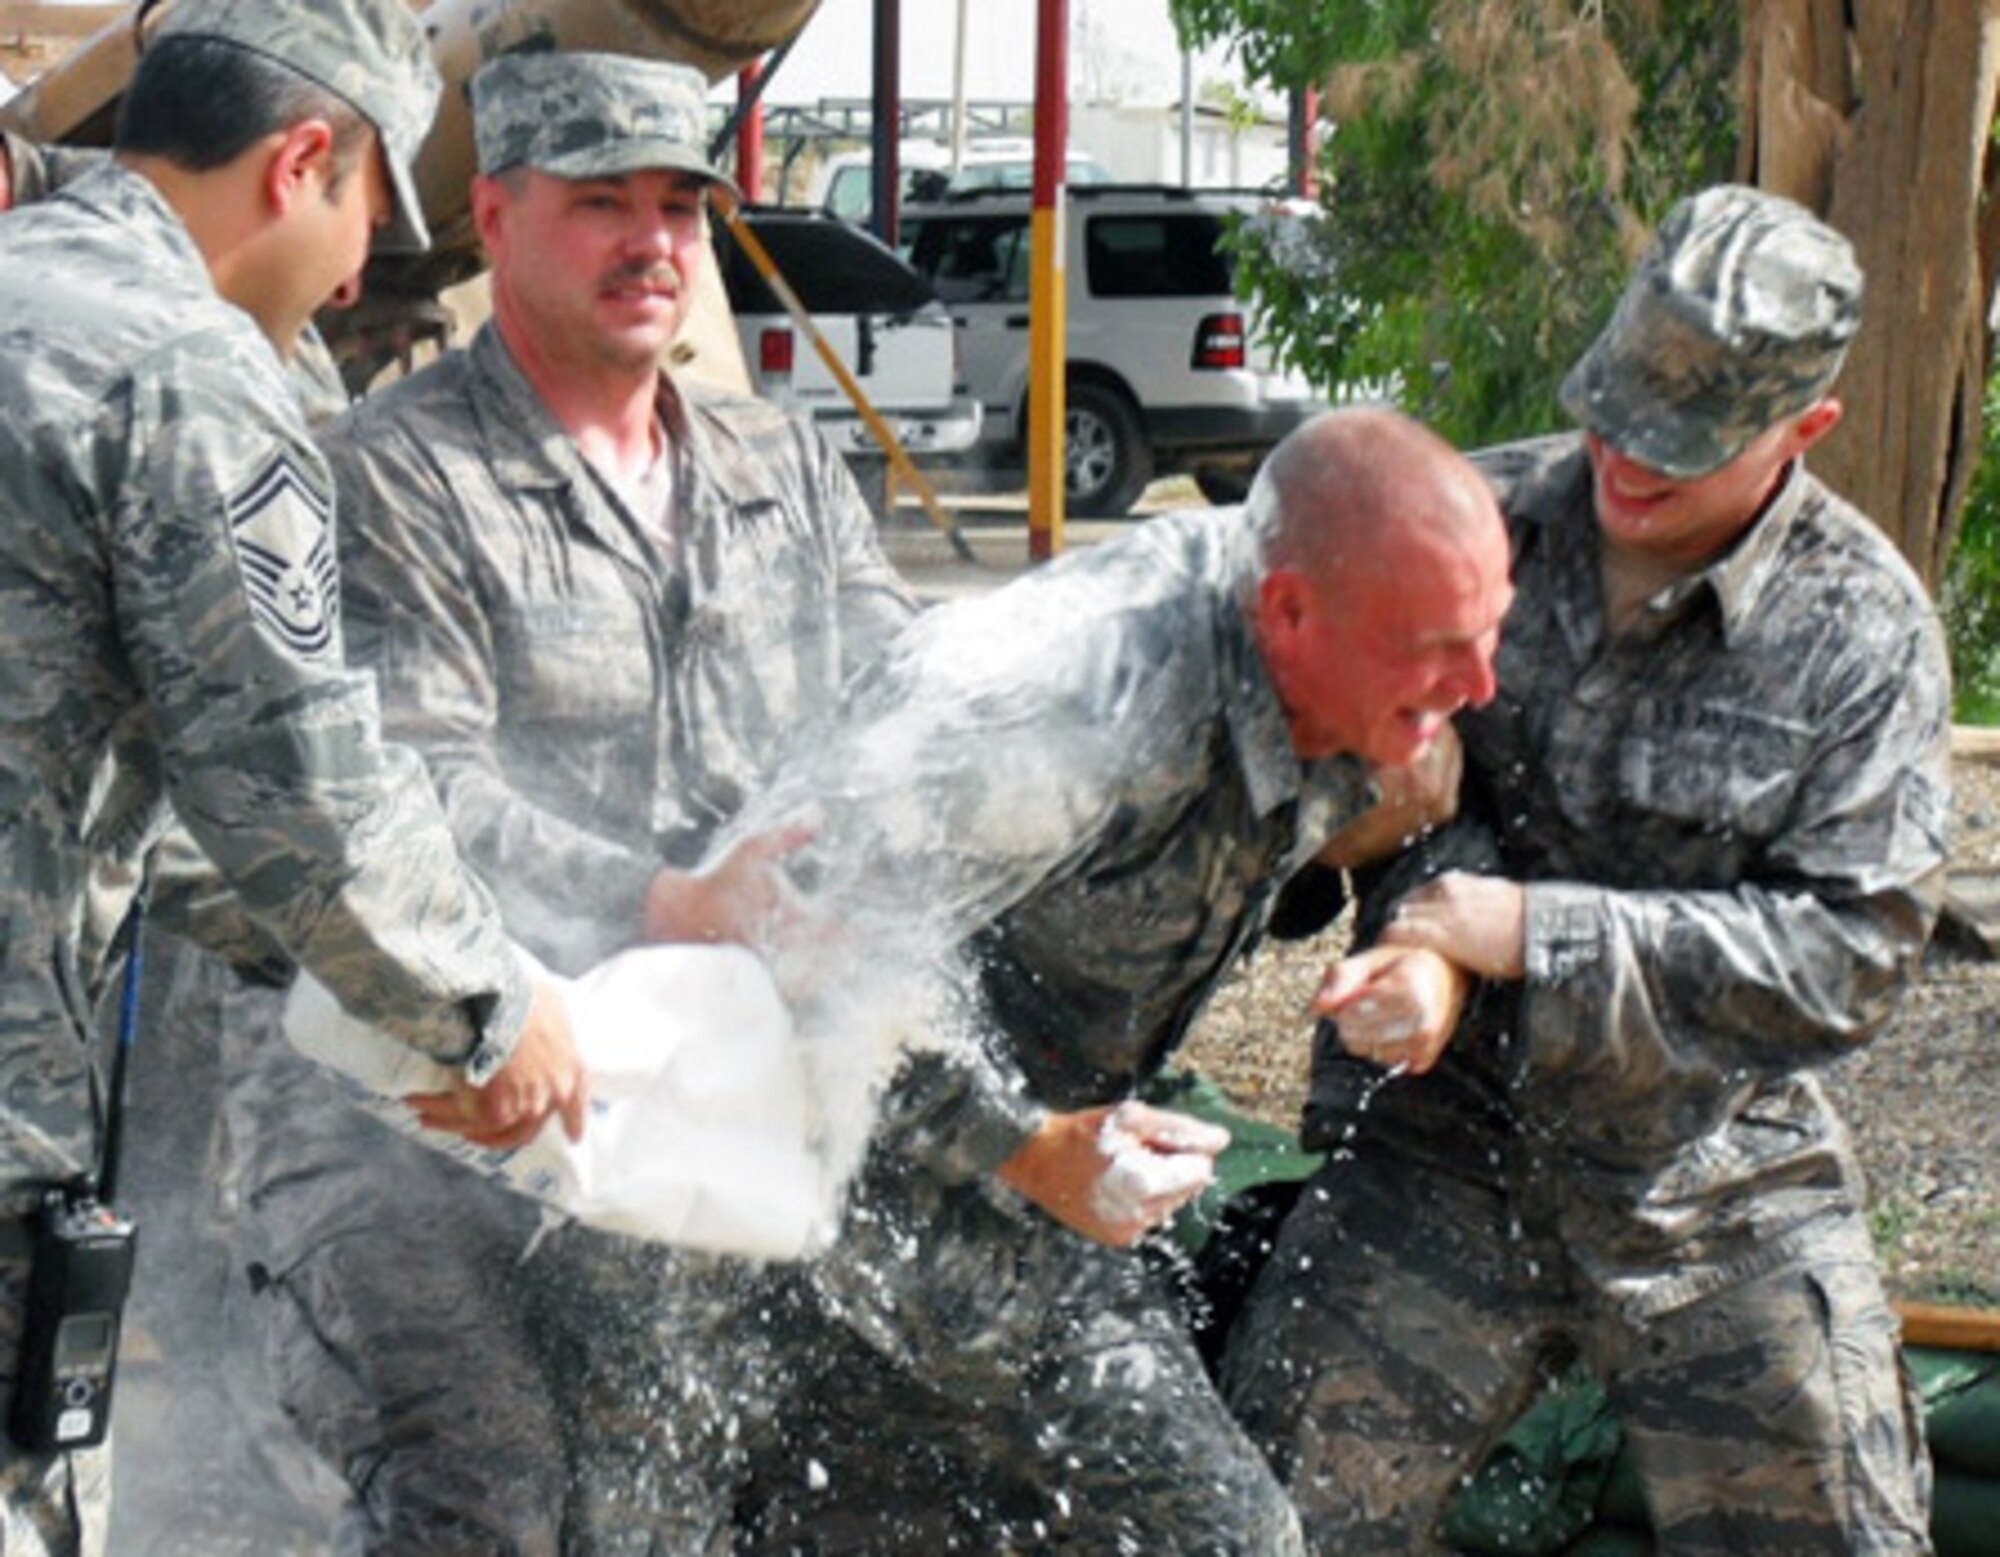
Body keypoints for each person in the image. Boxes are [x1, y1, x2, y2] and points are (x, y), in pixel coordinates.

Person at [225, 50, 917, 1553]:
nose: (652, 244)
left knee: (678, 1501)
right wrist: (660, 901)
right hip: (411, 1105)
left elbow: (897, 708)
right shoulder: (393, 476)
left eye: (680, 207)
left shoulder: (780, 464)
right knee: (487, 1494)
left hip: (694, 1088)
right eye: (602, 201)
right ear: (497, 215)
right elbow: (407, 788)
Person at [1221, 185, 1947, 1555]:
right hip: (1438, 1155)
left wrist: (1529, 933)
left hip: (1712, 1174)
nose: (1629, 455)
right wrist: (1409, 905)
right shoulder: (1469, 524)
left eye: (1687, 437)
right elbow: (1317, 791)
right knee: (1257, 1524)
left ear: (1807, 428)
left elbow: (1848, 957)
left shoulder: (1864, 632)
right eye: (1618, 405)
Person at [705, 404, 1512, 1553]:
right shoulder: (1058, 699)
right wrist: (1022, 1145)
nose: (1478, 681)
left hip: (1029, 1224)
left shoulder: (1374, 672)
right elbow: (790, 942)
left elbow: (1433, 807)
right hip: (799, 1218)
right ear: (1286, 612)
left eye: (1488, 634)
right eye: (1439, 650)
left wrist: (1427, 949)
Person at [0, 3, 589, 1550]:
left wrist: (385, 1000)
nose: (349, 283)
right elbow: (297, 784)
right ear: (301, 160)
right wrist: (486, 1013)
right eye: (361, 225)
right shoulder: (180, 366)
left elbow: (99, 797)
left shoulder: (24, 300)